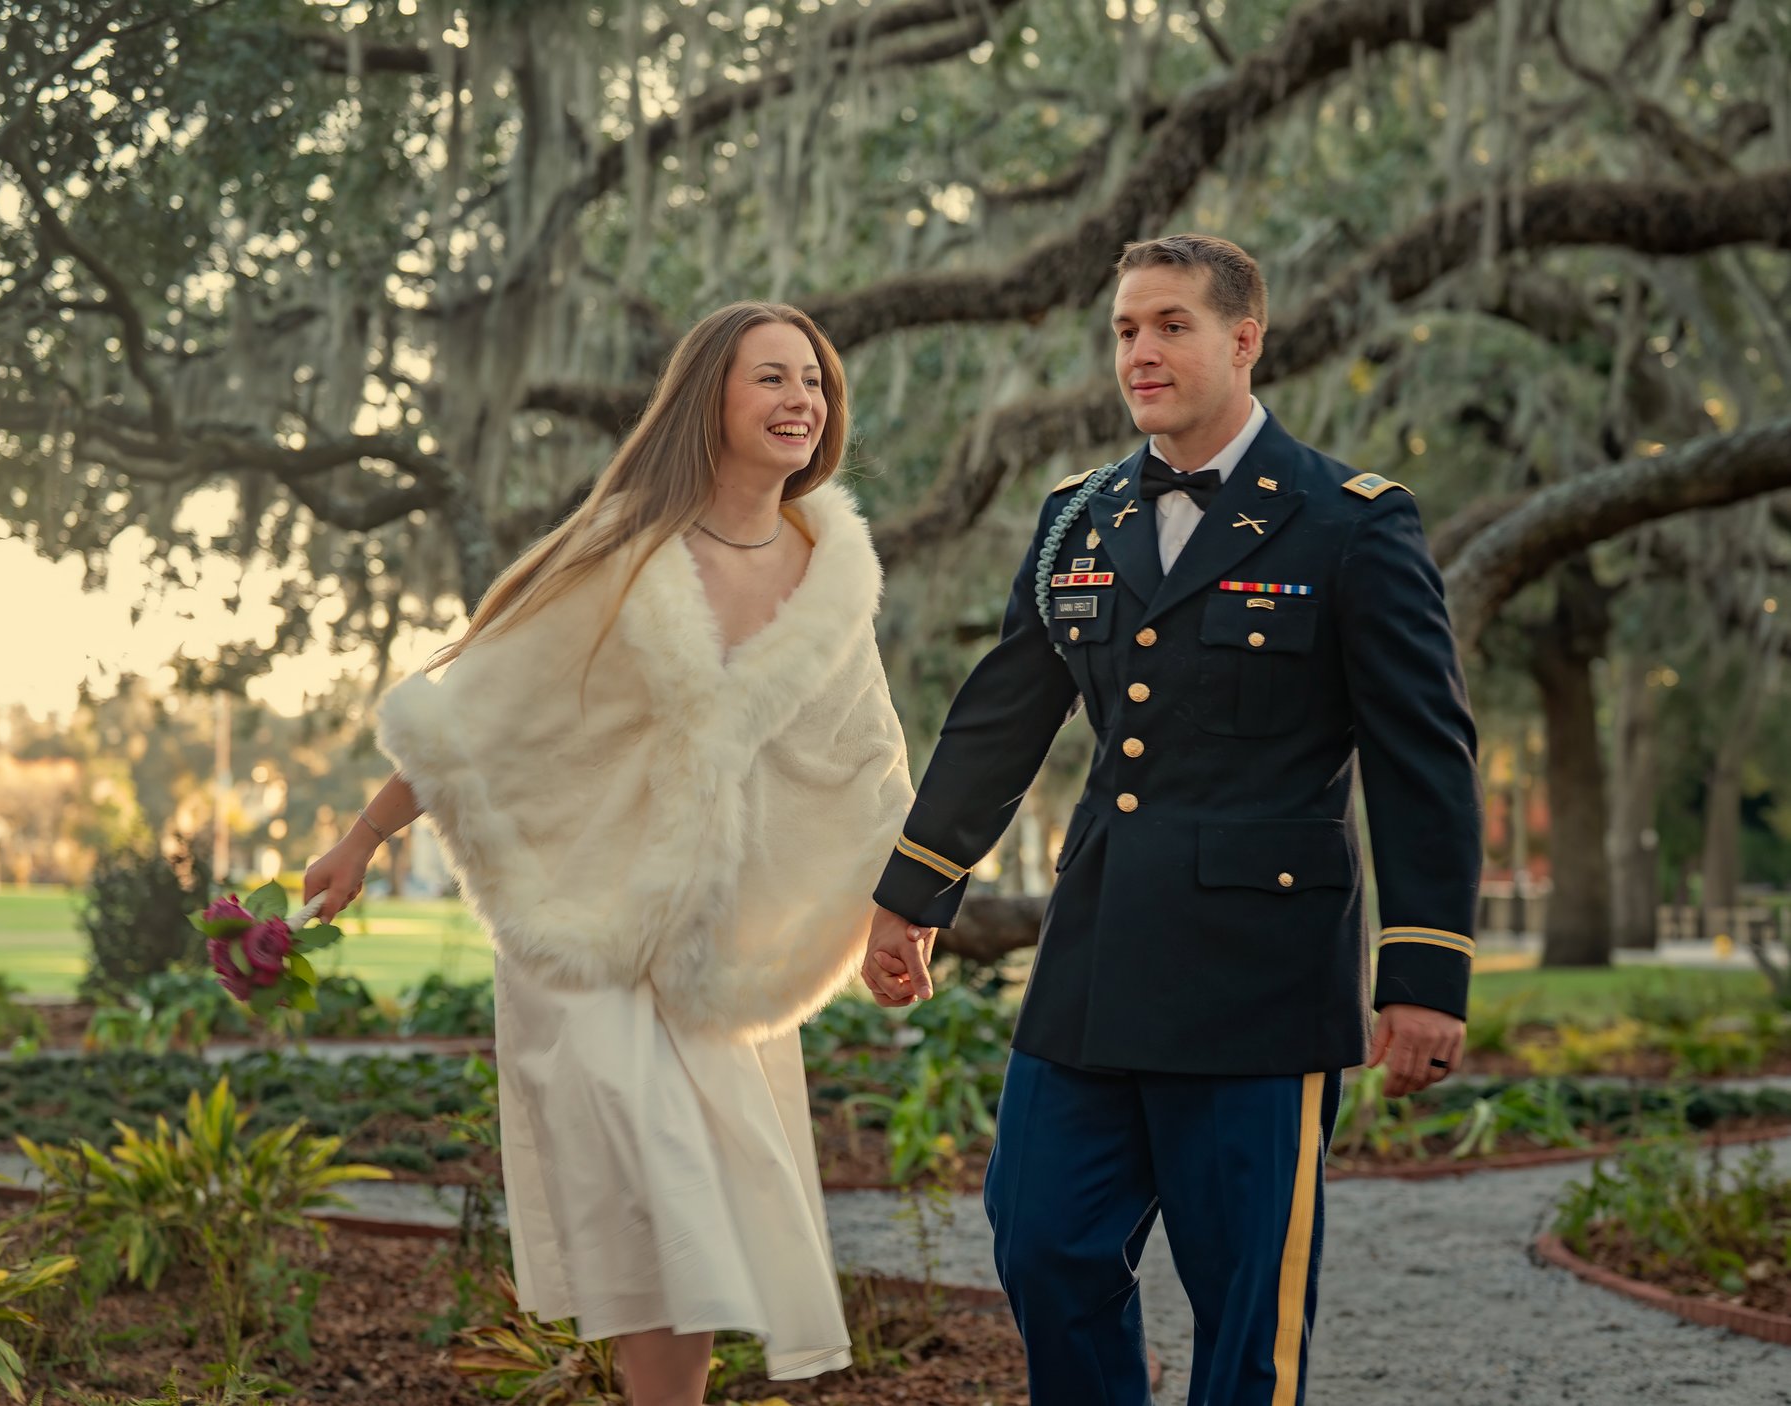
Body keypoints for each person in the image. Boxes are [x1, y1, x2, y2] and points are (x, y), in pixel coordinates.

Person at [862, 234, 1483, 1405]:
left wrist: (1425, 968)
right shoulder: (1074, 520)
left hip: (1261, 976)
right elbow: (1000, 719)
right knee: (1042, 1240)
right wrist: (913, 891)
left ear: (1244, 339)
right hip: (1095, 954)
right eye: (1124, 330)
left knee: (1247, 1307)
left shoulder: (1350, 522)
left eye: (1170, 326)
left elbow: (1423, 759)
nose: (1139, 351)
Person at [303, 301, 917, 1403]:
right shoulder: (619, 553)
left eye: (814, 383)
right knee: (656, 1205)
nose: (800, 401)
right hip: (585, 935)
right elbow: (484, 714)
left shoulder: (833, 577)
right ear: (708, 401)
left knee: (692, 1229)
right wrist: (361, 838)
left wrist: (894, 914)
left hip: (717, 954)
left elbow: (864, 762)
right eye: (770, 378)